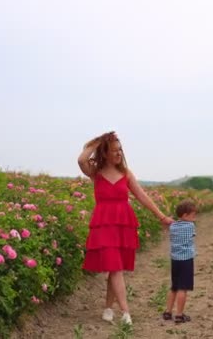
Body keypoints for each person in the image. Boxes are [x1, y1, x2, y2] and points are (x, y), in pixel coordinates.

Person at [78, 131, 174, 325]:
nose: (119, 153)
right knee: (115, 267)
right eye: (114, 150)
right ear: (104, 153)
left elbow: (142, 196)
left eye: (120, 149)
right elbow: (81, 160)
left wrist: (161, 216)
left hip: (123, 224)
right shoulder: (95, 173)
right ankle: (125, 312)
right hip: (104, 224)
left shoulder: (126, 174)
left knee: (116, 268)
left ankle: (107, 308)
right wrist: (98, 141)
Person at [162, 199, 197, 324]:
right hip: (186, 260)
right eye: (193, 215)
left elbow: (167, 227)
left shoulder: (173, 226)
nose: (195, 217)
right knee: (183, 288)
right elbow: (192, 236)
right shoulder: (191, 226)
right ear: (185, 215)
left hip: (175, 260)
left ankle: (168, 312)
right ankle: (179, 315)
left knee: (174, 287)